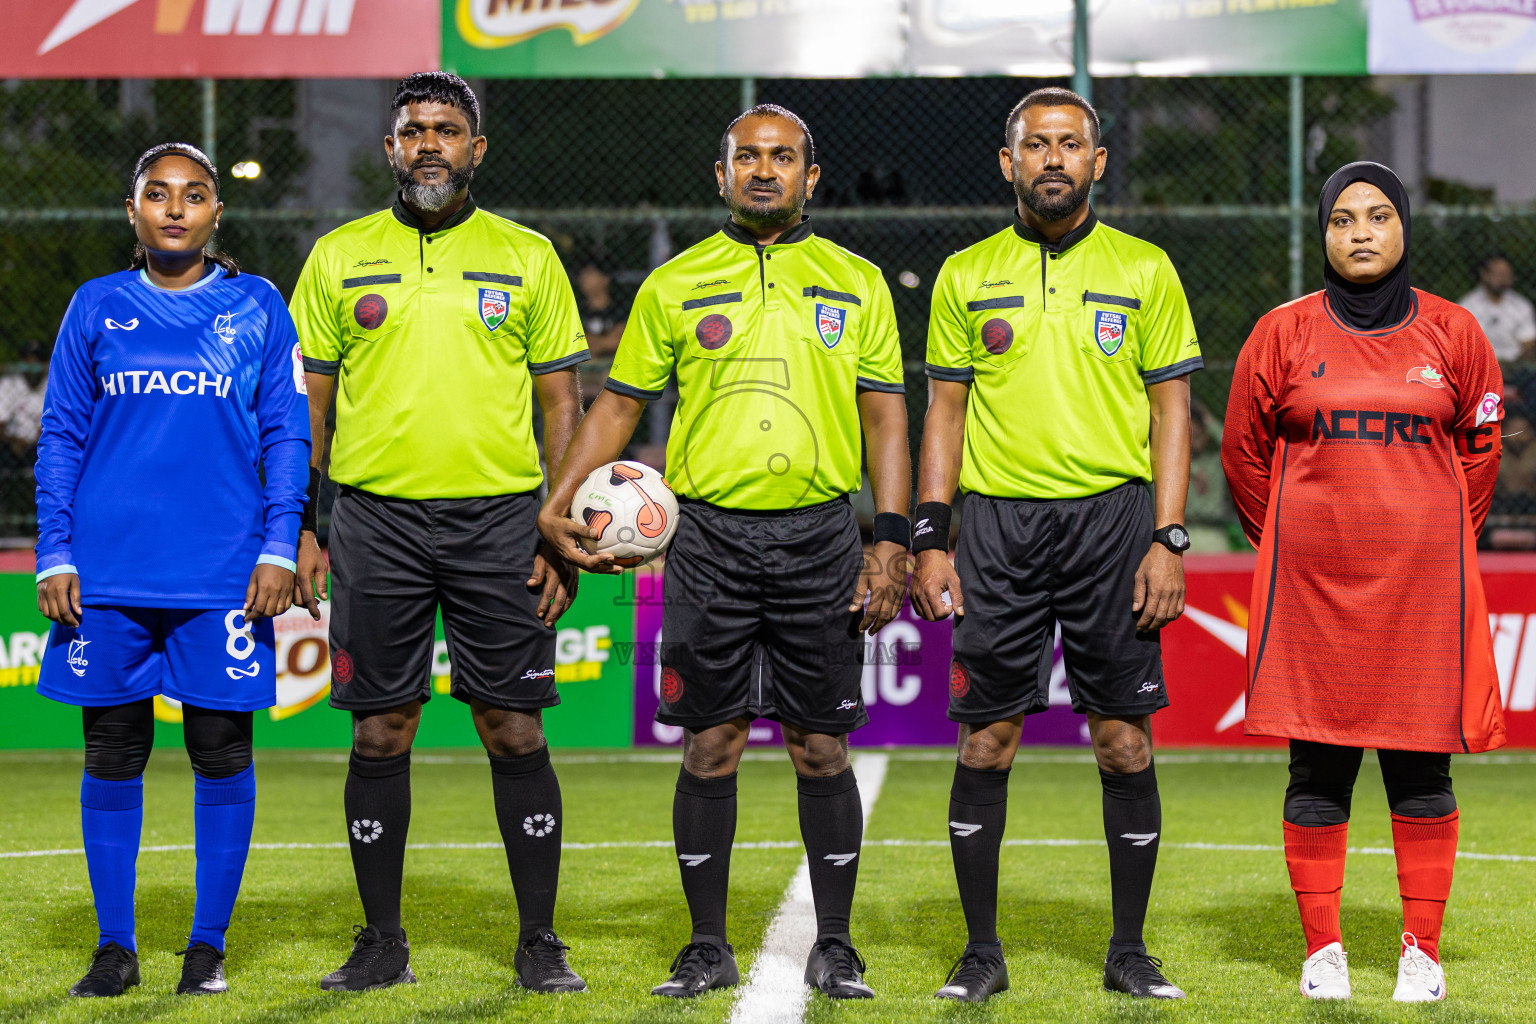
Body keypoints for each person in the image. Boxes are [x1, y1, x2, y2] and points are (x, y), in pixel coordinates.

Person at [538, 104, 910, 1001]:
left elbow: (886, 419)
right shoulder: (675, 283)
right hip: (706, 539)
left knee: (823, 748)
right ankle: (706, 945)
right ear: (722, 175)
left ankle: (836, 945)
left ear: (811, 179)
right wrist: (555, 505)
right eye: (748, 157)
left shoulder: (857, 282)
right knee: (711, 743)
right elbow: (619, 406)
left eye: (783, 158)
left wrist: (891, 538)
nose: (765, 170)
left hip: (822, 536)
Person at [288, 72, 589, 994]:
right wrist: (303, 527)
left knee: (512, 727)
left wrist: (559, 524)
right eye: (412, 129)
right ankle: (382, 942)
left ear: (476, 149)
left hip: (501, 522)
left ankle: (539, 941)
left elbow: (559, 403)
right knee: (381, 729)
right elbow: (312, 410)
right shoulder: (339, 256)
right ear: (390, 148)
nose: (428, 144)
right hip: (373, 521)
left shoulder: (527, 257)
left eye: (447, 130)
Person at [911, 87, 1199, 1003]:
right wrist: (931, 538)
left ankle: (1129, 951)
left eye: (1070, 144)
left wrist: (1169, 536)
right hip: (997, 528)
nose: (1052, 159)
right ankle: (980, 953)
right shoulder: (965, 273)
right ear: (1009, 163)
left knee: (1123, 741)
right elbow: (943, 416)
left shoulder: (1147, 268)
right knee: (987, 741)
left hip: (1115, 527)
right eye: (1035, 145)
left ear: (1097, 162)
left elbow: (1173, 413)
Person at [1221, 161, 1505, 1004]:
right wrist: (1296, 546)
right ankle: (1325, 951)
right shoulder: (1282, 333)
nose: (1362, 233)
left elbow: (1481, 456)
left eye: (1378, 216)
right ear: (1324, 234)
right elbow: (1243, 456)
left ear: (1404, 227)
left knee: (1423, 776)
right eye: (1343, 219)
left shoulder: (1455, 334)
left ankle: (1422, 950)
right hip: (1313, 593)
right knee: (1318, 774)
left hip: (1422, 592)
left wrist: (1437, 539)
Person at [34, 143, 310, 998]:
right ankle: (115, 949)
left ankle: (206, 948)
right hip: (108, 573)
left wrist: (277, 544)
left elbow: (287, 434)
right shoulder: (96, 307)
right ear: (133, 211)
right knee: (112, 751)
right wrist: (56, 549)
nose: (176, 208)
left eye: (195, 195)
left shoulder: (258, 306)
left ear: (217, 213)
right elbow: (62, 438)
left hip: (224, 574)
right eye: (159, 194)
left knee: (219, 750)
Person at [1458, 255, 1535, 365]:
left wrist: (1513, 365)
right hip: (1479, 365)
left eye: (1507, 273)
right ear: (1484, 274)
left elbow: (1528, 342)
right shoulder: (1467, 306)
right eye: (1498, 273)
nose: (1503, 277)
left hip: (1515, 366)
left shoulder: (1521, 305)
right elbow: (1462, 344)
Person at [574, 256, 628, 402]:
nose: (583, 278)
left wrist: (590, 342)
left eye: (590, 273)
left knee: (615, 380)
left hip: (608, 367)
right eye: (582, 274)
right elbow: (572, 342)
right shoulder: (576, 308)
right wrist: (604, 341)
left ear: (605, 279)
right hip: (580, 368)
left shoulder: (620, 309)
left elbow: (619, 341)